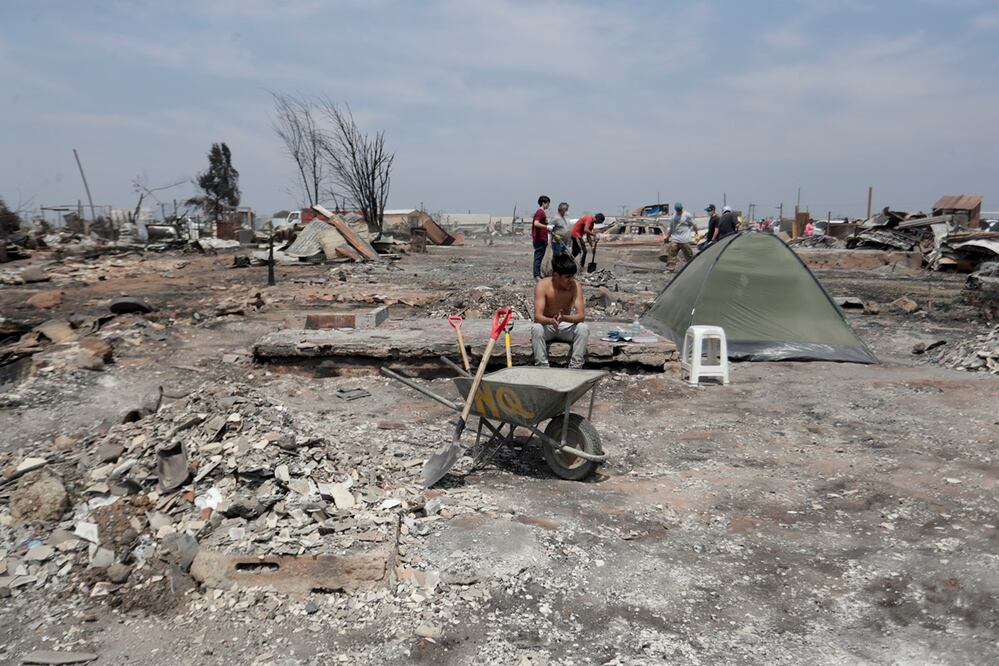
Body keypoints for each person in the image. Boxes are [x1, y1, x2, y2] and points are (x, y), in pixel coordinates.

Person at [532, 253, 588, 369]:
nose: (571, 280)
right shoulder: (542, 285)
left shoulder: (575, 286)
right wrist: (550, 321)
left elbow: (581, 316)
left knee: (583, 328)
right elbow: (537, 317)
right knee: (536, 328)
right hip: (547, 326)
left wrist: (564, 318)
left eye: (572, 276)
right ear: (556, 275)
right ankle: (542, 367)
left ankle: (575, 367)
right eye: (567, 277)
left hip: (564, 325)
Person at [661, 202, 698, 270]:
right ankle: (670, 269)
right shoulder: (673, 217)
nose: (679, 212)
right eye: (678, 211)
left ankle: (692, 268)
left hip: (685, 240)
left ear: (682, 209)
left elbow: (694, 225)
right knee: (671, 255)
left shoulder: (687, 215)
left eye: (680, 210)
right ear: (676, 210)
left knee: (689, 255)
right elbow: (671, 229)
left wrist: (696, 233)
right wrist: (667, 237)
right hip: (675, 239)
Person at [531, 195, 551, 280]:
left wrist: (546, 226)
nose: (548, 206)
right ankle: (536, 275)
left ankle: (538, 273)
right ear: (543, 203)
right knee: (538, 257)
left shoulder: (541, 212)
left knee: (540, 256)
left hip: (542, 238)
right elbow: (536, 223)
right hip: (539, 238)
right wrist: (546, 227)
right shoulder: (540, 212)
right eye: (548, 203)